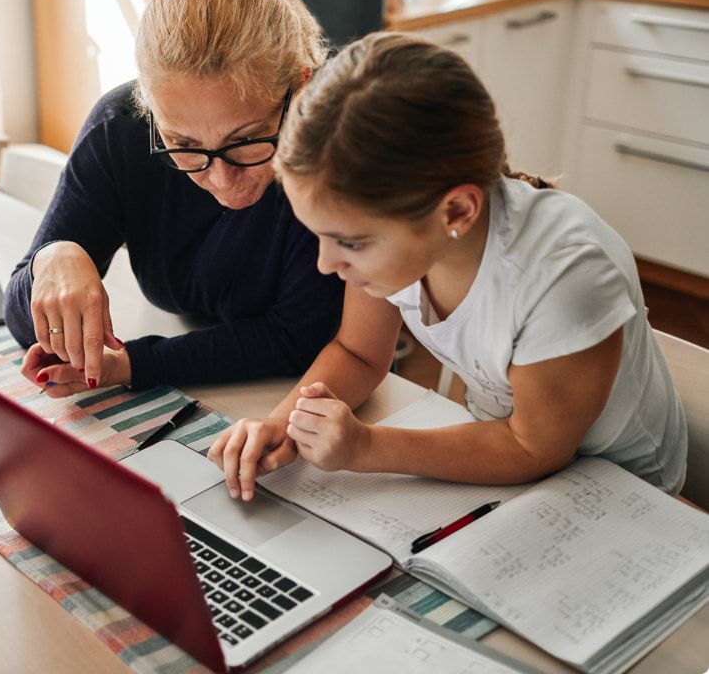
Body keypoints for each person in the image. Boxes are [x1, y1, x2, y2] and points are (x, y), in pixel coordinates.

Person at [209, 32, 687, 500]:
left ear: (457, 212)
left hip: (623, 491)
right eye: (319, 235)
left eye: (348, 242)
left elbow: (532, 448)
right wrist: (281, 426)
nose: (325, 264)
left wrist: (367, 446)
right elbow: (358, 352)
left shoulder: (565, 275)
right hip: (500, 445)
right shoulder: (405, 240)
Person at [4, 0, 344, 397]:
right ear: (148, 105)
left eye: (247, 140)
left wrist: (132, 364)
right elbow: (20, 321)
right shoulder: (119, 130)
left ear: (299, 86)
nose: (222, 179)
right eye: (183, 146)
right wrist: (51, 258)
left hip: (304, 390)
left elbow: (297, 338)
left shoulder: (333, 149)